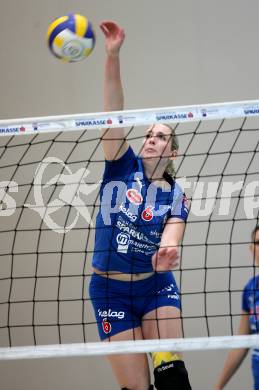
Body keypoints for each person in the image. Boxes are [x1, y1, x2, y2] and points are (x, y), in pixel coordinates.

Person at [89, 20, 192, 390]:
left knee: (171, 372)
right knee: (136, 388)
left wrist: (168, 251)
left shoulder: (177, 194)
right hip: (109, 289)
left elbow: (173, 233)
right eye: (148, 134)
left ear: (173, 151)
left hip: (154, 284)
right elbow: (112, 111)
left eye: (160, 136)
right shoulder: (120, 164)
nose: (150, 139)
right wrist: (112, 55)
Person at [214, 225, 259, 390]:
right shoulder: (251, 290)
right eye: (258, 243)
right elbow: (242, 343)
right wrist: (218, 386)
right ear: (251, 249)